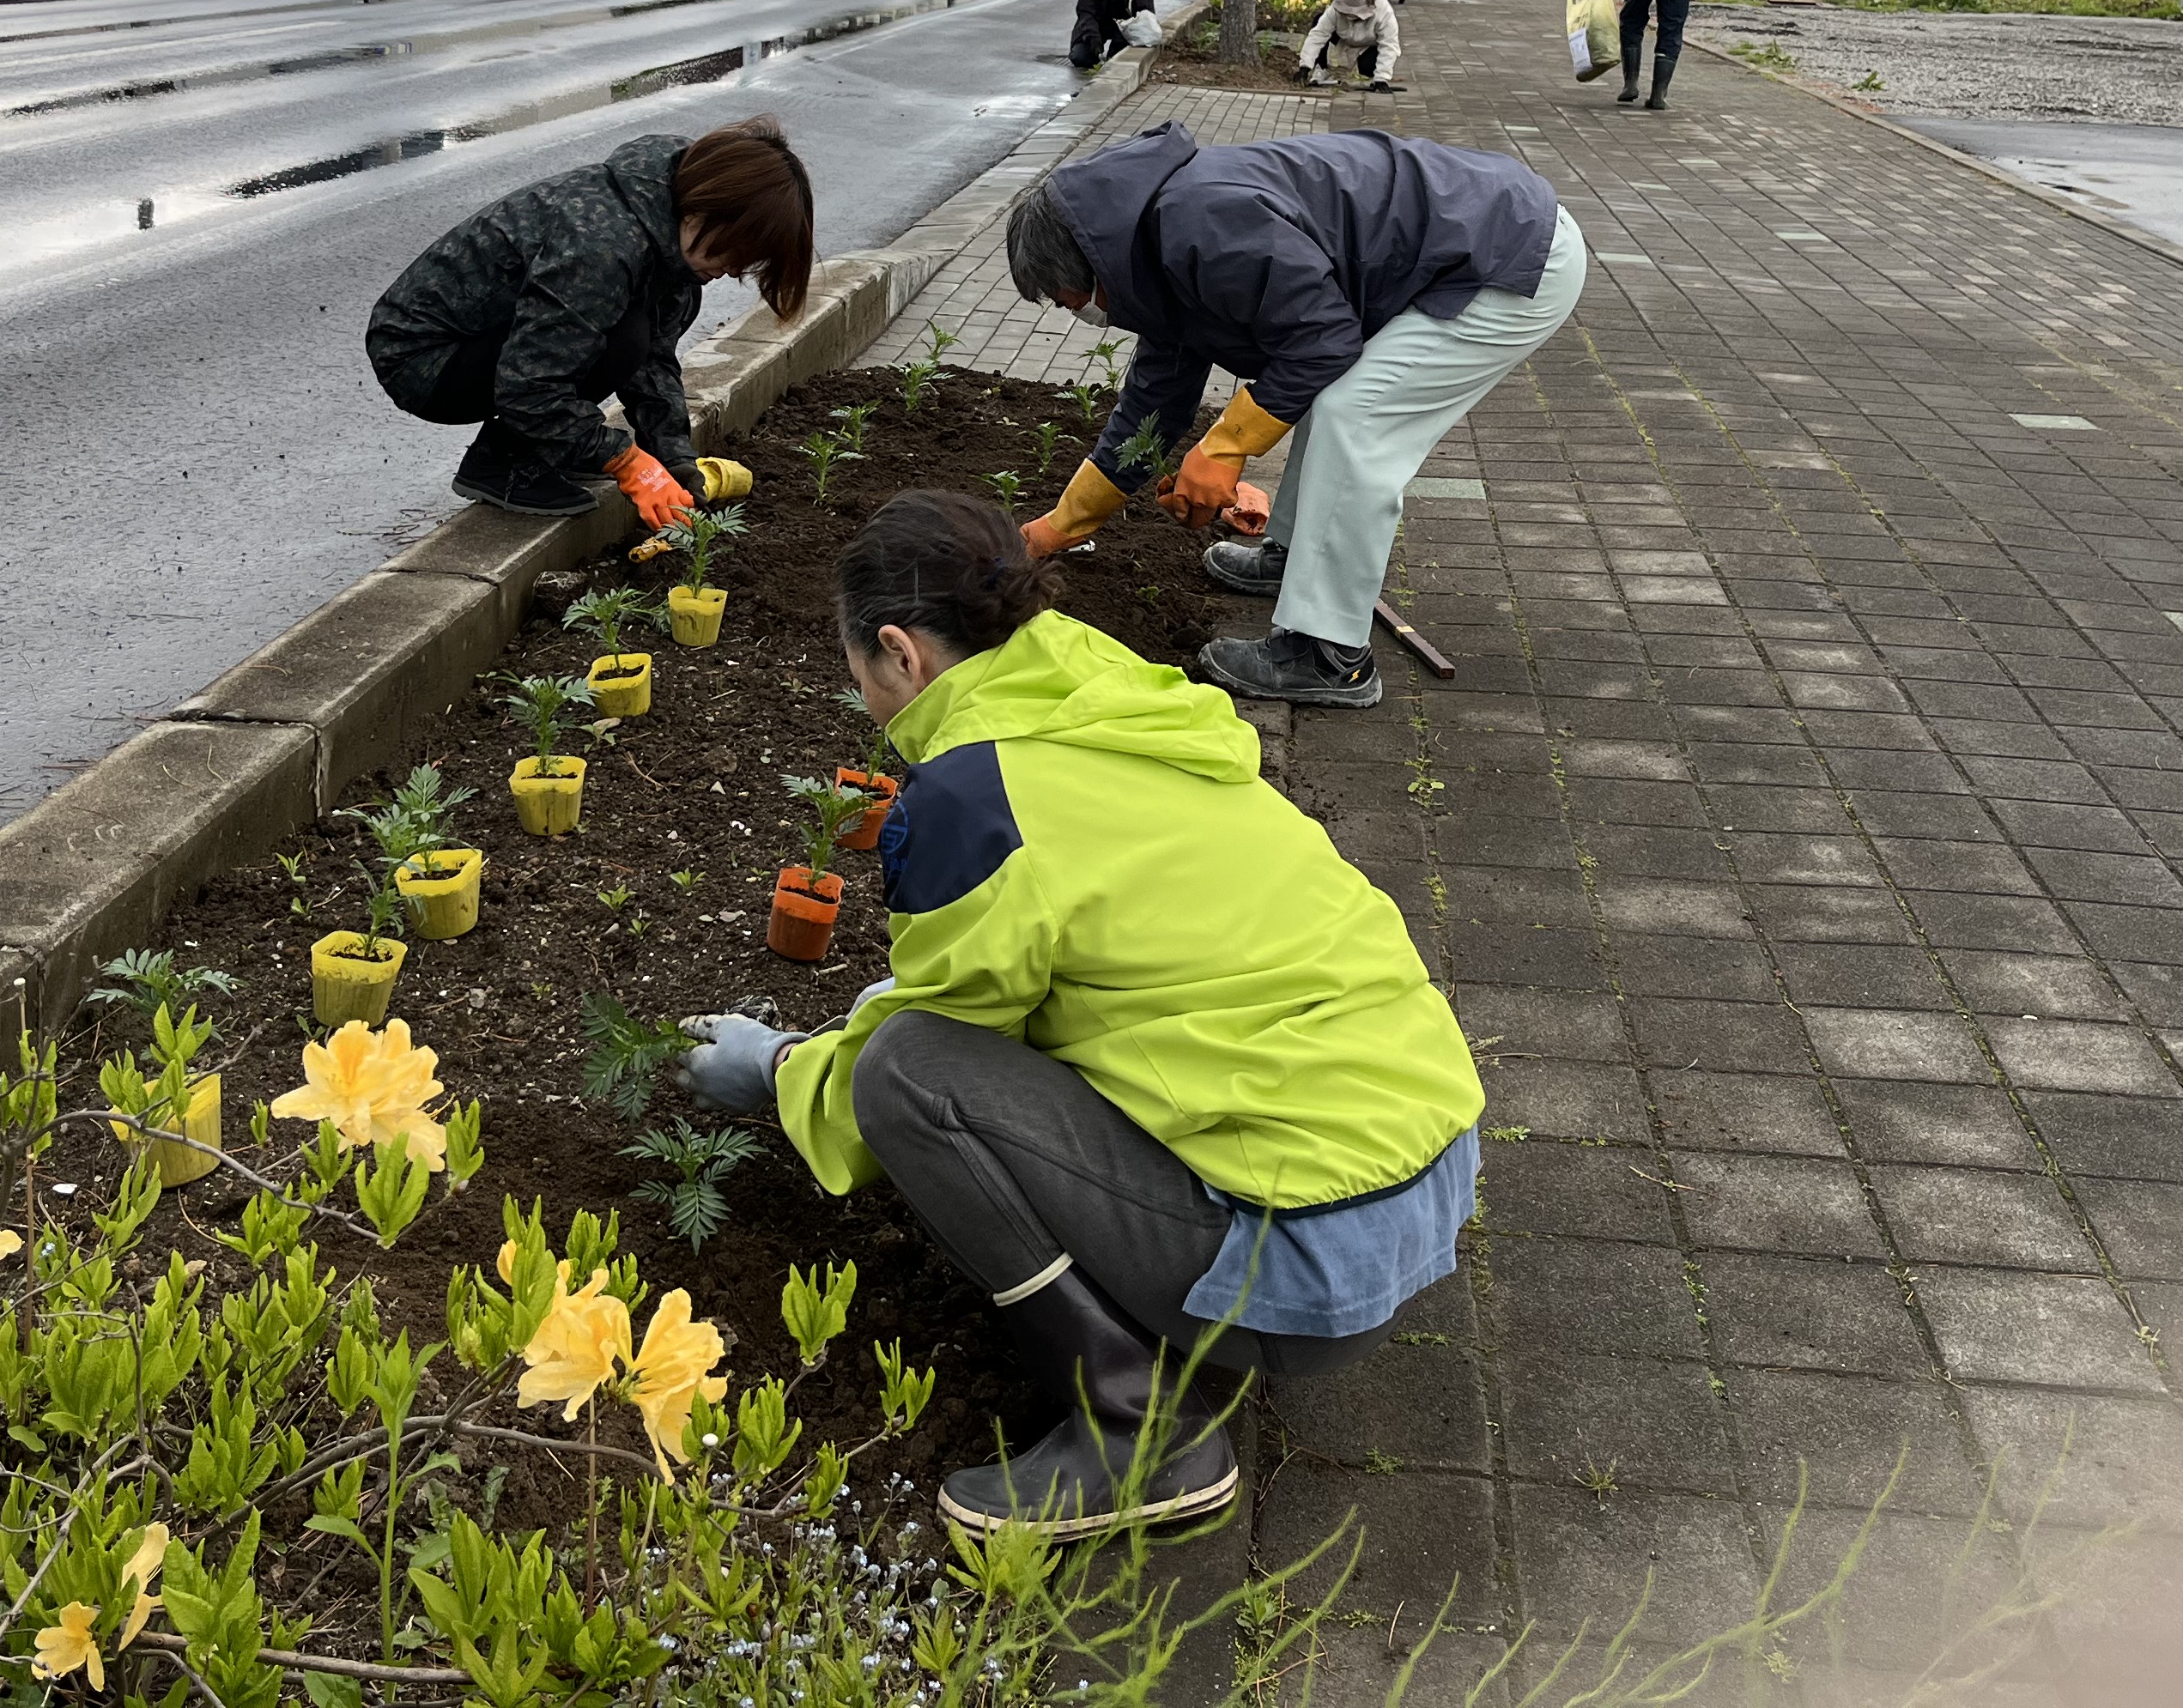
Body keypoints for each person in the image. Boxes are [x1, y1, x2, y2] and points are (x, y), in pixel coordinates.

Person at [674, 491, 1484, 1539]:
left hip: (1305, 1269)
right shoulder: (1116, 703)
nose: (861, 693)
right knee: (920, 1029)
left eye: (856, 667)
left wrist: (784, 1067)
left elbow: (937, 1052)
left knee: (905, 1070)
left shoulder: (973, 799)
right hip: (1424, 1178)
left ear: (899, 652)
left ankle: (1140, 1433)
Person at [1004, 122, 1587, 706]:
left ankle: (1330, 654)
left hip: (1508, 256)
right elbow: (1152, 405)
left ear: (1091, 261)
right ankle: (1293, 557)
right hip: (1473, 239)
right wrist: (1061, 525)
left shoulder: (1207, 228)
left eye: (1065, 299)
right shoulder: (1154, 254)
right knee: (1321, 390)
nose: (1071, 311)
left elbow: (1324, 342)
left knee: (1354, 416)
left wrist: (1225, 448)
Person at [363, 117, 814, 517]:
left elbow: (654, 361)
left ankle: (544, 447)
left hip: (490, 345)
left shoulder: (669, 235)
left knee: (633, 335)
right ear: (700, 212)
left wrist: (673, 456)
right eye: (736, 249)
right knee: (623, 337)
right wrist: (625, 461)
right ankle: (501, 463)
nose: (734, 269)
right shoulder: (602, 245)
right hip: (423, 358)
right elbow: (529, 384)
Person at [1295, 0, 1403, 92]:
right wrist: (1305, 66)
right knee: (1319, 19)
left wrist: (1382, 78)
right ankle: (1321, 68)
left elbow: (1389, 45)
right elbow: (1318, 35)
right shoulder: (1335, 10)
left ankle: (1371, 72)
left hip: (1369, 45)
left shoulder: (1385, 13)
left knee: (1367, 68)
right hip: (1342, 37)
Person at [1068, 0, 1162, 75]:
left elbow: (1145, 18)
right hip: (1098, 25)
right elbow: (1085, 14)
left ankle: (1114, 53)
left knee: (1117, 61)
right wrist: (1093, 39)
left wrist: (1120, 40)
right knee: (1080, 57)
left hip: (1125, 29)